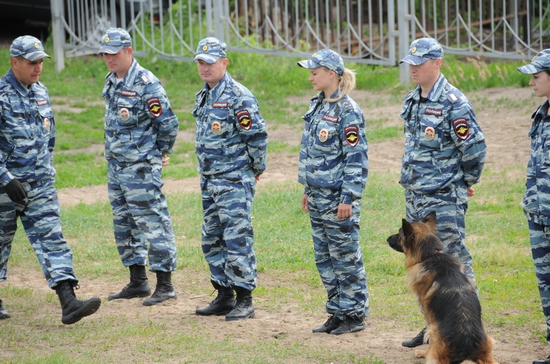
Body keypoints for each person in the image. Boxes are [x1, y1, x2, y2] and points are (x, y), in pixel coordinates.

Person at [0, 35, 101, 324]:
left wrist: (45, 170)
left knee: (52, 238)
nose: (38, 67)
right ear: (14, 62)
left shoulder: (41, 92)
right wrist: (5, 178)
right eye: (32, 63)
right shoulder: (1, 95)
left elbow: (49, 138)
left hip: (39, 184)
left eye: (41, 61)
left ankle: (68, 301)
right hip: (6, 187)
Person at [398, 37, 487, 347]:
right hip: (416, 196)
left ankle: (467, 331)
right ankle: (434, 329)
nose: (414, 68)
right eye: (411, 63)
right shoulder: (413, 99)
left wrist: (463, 182)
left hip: (443, 199)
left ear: (437, 63)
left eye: (420, 63)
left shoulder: (454, 101)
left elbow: (474, 148)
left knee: (453, 263)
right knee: (424, 267)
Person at [98, 28, 179, 306]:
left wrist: (158, 152)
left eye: (115, 53)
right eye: (106, 54)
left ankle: (165, 285)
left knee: (153, 222)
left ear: (129, 51)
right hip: (117, 166)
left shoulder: (147, 83)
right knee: (124, 224)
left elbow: (167, 124)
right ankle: (138, 281)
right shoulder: (112, 80)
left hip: (141, 168)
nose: (109, 59)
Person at [192, 37, 268, 321]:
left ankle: (244, 298)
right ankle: (223, 294)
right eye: (200, 62)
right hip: (210, 180)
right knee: (212, 238)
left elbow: (257, 137)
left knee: (237, 238)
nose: (204, 67)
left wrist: (254, 170)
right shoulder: (205, 94)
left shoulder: (239, 96)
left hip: (234, 179)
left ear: (224, 62)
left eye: (210, 62)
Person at [297, 49, 369, 335]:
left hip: (338, 199)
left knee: (345, 256)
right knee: (325, 257)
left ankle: (355, 314)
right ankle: (337, 311)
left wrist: (348, 197)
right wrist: (306, 188)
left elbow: (356, 158)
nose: (311, 76)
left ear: (332, 74)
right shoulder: (318, 106)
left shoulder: (348, 111)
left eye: (315, 72)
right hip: (317, 196)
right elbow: (312, 153)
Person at [517, 50, 550, 364]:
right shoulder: (541, 115)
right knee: (546, 284)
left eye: (537, 76)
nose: (531, 83)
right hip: (539, 214)